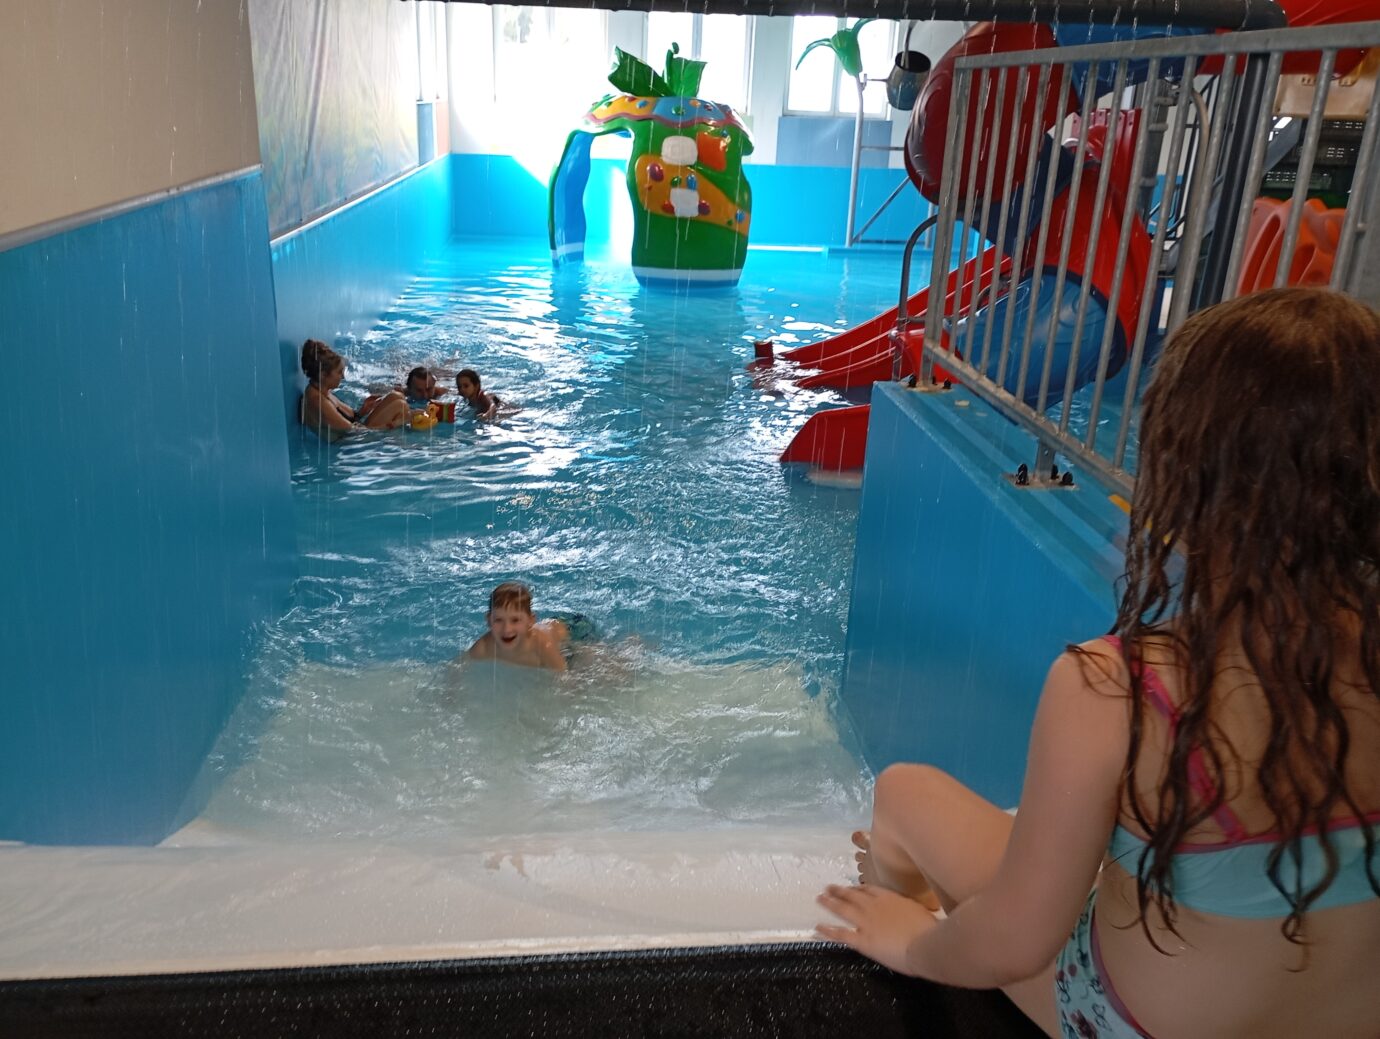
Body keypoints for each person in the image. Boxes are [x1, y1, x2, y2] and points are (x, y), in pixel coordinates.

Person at [816, 287, 1380, 1039]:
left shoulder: (1121, 688)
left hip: (1124, 1024)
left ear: (1181, 478)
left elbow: (1017, 942)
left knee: (904, 792)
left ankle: (890, 917)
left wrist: (913, 944)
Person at [300, 339, 408, 439]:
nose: (343, 377)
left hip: (356, 433)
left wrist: (363, 410)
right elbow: (353, 432)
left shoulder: (322, 391)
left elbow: (349, 421)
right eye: (339, 372)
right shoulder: (318, 402)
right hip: (349, 443)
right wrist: (392, 425)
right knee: (400, 406)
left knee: (396, 396)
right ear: (323, 374)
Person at [466, 582, 571, 672]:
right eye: (498, 620)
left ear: (530, 620)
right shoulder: (484, 647)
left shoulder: (542, 646)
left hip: (570, 631)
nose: (507, 629)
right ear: (489, 620)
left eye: (515, 620)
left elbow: (564, 676)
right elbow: (460, 667)